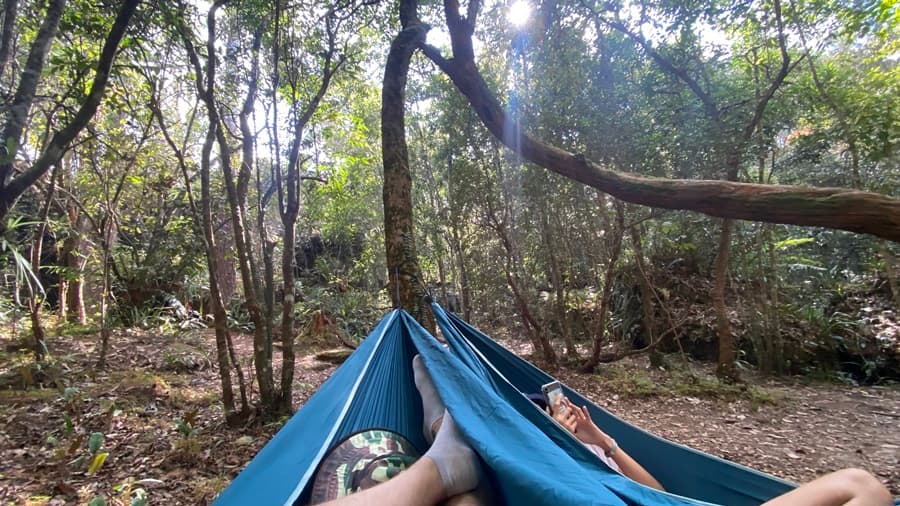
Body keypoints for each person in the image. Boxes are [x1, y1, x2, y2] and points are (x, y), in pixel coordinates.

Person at [323, 359, 892, 506]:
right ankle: (448, 432)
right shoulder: (548, 460)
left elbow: (666, 497)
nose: (568, 416)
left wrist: (605, 442)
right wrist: (578, 447)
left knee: (861, 484)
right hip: (582, 486)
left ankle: (445, 435)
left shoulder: (591, 448)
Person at [528, 393, 663, 490]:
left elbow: (658, 494)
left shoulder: (591, 444)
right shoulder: (539, 465)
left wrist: (603, 441)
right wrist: (560, 443)